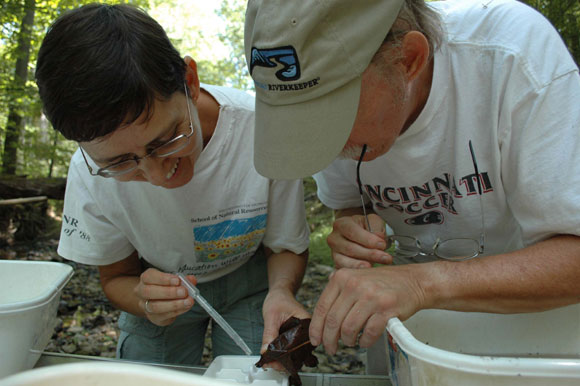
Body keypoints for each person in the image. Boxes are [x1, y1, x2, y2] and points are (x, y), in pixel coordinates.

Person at [244, 0, 580, 366]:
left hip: (531, 331)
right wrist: (355, 227)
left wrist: (420, 284)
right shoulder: (335, 106)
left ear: (408, 59)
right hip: (404, 329)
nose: (324, 144)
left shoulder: (511, 56)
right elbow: (353, 203)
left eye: (332, 114)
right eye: (303, 122)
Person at [35, 3, 311, 366]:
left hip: (252, 280)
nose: (155, 175)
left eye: (166, 139)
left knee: (260, 371)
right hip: (157, 282)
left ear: (191, 82)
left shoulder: (262, 132)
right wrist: (143, 300)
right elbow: (117, 276)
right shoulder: (89, 173)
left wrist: (281, 291)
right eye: (119, 162)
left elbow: (286, 246)